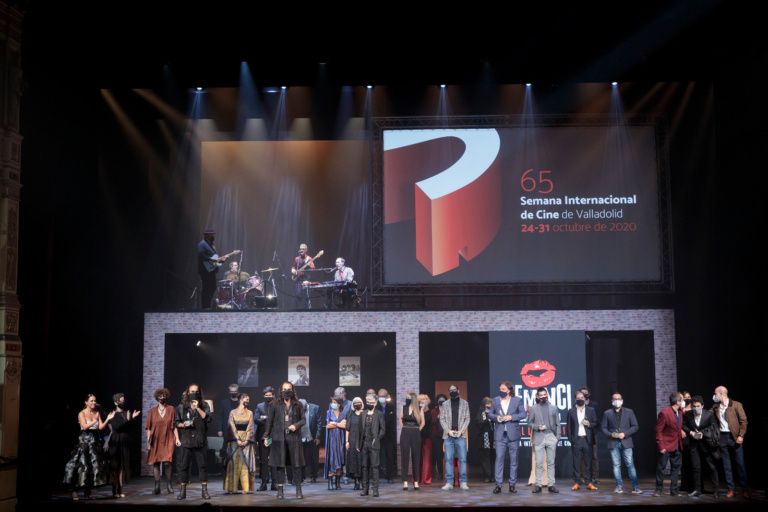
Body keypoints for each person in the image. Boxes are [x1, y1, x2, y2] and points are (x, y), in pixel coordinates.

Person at [63, 394, 114, 501]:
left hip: (94, 443)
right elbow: (85, 426)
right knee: (81, 467)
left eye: (95, 401)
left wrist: (107, 419)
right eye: (91, 401)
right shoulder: (81, 413)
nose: (93, 403)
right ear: (86, 402)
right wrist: (95, 420)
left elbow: (100, 428)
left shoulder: (97, 412)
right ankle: (74, 490)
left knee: (92, 468)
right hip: (84, 443)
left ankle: (88, 492)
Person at [262, 381, 306, 499]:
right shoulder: (274, 404)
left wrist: (295, 426)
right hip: (278, 439)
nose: (287, 391)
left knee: (296, 465)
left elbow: (303, 420)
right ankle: (280, 491)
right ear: (281, 390)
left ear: (292, 390)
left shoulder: (298, 404)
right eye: (285, 389)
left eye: (289, 389)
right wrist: (266, 436)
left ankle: (298, 490)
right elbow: (269, 422)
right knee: (280, 465)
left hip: (294, 438)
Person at [488, 381, 526, 494]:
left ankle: (512, 485)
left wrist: (511, 417)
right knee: (499, 459)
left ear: (509, 390)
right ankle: (498, 485)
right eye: (500, 389)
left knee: (513, 461)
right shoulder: (495, 400)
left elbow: (523, 414)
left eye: (503, 389)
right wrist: (497, 418)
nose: (501, 391)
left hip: (513, 435)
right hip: (500, 435)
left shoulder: (517, 400)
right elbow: (490, 414)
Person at [175, 383, 212, 500]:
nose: (194, 393)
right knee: (183, 466)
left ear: (199, 392)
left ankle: (204, 491)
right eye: (191, 391)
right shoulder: (181, 407)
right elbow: (176, 423)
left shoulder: (204, 405)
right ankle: (183, 491)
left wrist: (198, 408)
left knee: (203, 466)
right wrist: (184, 424)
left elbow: (208, 419)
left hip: (200, 440)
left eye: (196, 391)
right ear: (187, 392)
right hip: (186, 441)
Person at [712, 385, 750, 498]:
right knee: (726, 465)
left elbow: (744, 421)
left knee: (740, 463)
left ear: (722, 394)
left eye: (716, 394)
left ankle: (745, 489)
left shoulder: (736, 405)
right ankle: (731, 489)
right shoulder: (716, 407)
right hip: (722, 437)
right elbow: (707, 413)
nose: (714, 396)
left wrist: (741, 435)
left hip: (734, 437)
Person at [601, 392, 642, 494]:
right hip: (613, 442)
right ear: (612, 401)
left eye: (619, 399)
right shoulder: (607, 413)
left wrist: (625, 433)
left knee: (630, 464)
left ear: (622, 400)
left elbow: (635, 426)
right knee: (616, 465)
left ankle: (635, 487)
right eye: (615, 399)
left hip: (626, 441)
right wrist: (611, 434)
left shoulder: (629, 412)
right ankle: (619, 486)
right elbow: (603, 428)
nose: (617, 401)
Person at [683, 395, 720, 497]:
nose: (696, 408)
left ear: (702, 405)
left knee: (711, 467)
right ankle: (697, 490)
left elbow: (714, 428)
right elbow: (684, 425)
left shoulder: (709, 415)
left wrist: (702, 433)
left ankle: (716, 490)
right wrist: (691, 432)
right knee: (696, 468)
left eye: (698, 406)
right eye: (694, 406)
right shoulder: (688, 414)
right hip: (694, 445)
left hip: (707, 445)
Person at [145, 388, 180, 495]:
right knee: (156, 463)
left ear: (166, 397)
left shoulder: (171, 409)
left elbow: (174, 426)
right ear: (157, 398)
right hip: (155, 439)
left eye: (164, 395)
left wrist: (177, 438)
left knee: (167, 463)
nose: (162, 397)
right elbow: (148, 428)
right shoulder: (152, 411)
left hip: (168, 438)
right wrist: (148, 440)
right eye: (160, 396)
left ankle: (169, 484)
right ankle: (157, 485)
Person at [106, 393, 141, 498]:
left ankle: (120, 488)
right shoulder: (112, 414)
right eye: (121, 400)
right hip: (116, 440)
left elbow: (130, 428)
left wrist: (133, 418)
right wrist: (130, 419)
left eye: (123, 400)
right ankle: (114, 488)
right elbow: (117, 427)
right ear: (116, 402)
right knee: (115, 466)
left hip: (125, 441)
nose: (123, 402)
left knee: (122, 466)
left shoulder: (127, 413)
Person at [527, 387, 560, 494]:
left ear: (547, 394)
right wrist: (537, 427)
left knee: (551, 462)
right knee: (539, 463)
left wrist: (557, 438)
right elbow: (529, 422)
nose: (543, 397)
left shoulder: (554, 408)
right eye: (540, 395)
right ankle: (538, 485)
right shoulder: (533, 408)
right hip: (539, 436)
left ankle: (551, 485)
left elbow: (558, 424)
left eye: (544, 395)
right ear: (537, 396)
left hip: (551, 436)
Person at [653, 391, 684, 497]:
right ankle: (658, 489)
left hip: (677, 445)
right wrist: (661, 446)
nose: (683, 402)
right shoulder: (665, 412)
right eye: (682, 400)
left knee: (676, 468)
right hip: (666, 445)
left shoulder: (680, 412)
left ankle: (674, 491)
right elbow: (658, 431)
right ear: (678, 401)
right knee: (661, 468)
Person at [223, 393, 256, 494]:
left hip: (246, 440)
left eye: (248, 399)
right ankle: (232, 488)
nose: (248, 401)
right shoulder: (232, 412)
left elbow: (250, 427)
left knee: (245, 463)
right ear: (241, 399)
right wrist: (237, 439)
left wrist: (246, 440)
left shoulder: (250, 413)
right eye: (246, 399)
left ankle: (245, 488)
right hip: (234, 440)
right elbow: (231, 426)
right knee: (234, 463)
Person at [566, 390, 598, 491]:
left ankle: (589, 482)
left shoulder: (591, 410)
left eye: (582, 398)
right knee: (576, 462)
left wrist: (589, 424)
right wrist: (572, 440)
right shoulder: (571, 411)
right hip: (577, 440)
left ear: (585, 398)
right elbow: (568, 428)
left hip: (587, 439)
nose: (580, 399)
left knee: (588, 462)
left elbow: (595, 423)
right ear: (575, 399)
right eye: (578, 398)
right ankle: (577, 482)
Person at [440, 385, 470, 491]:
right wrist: (449, 431)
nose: (452, 391)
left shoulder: (465, 403)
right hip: (448, 435)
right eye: (450, 390)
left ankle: (463, 482)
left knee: (463, 459)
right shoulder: (444, 404)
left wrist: (461, 431)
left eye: (454, 390)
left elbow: (467, 419)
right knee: (448, 459)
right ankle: (449, 482)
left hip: (460, 435)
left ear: (458, 390)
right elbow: (442, 419)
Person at [197, 229, 235, 309]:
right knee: (207, 289)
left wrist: (222, 260)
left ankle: (207, 306)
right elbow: (202, 256)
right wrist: (214, 260)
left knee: (212, 287)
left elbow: (215, 260)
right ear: (206, 235)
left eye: (213, 234)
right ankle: (205, 307)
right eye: (211, 234)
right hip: (205, 271)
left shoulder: (211, 245)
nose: (213, 236)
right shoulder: (202, 244)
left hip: (211, 271)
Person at [357, 394, 386, 497]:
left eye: (370, 401)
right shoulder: (363, 413)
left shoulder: (379, 414)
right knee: (364, 467)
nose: (368, 403)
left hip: (374, 443)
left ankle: (375, 490)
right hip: (364, 443)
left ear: (376, 402)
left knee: (375, 467)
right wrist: (358, 444)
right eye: (367, 401)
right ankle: (365, 489)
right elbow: (360, 430)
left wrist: (377, 438)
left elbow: (383, 429)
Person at [400, 391, 425, 490]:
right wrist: (405, 429)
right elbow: (401, 421)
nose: (407, 398)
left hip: (415, 433)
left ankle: (416, 481)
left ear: (413, 398)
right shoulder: (403, 408)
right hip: (405, 432)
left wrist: (417, 430)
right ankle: (405, 481)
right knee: (405, 457)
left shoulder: (419, 409)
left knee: (416, 457)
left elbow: (423, 423)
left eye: (408, 397)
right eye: (406, 397)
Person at [577, 386, 600, 484]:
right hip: (581, 434)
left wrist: (590, 424)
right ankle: (583, 477)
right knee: (582, 457)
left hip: (592, 434)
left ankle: (595, 477)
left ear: (588, 395)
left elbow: (597, 420)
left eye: (586, 394)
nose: (584, 395)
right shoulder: (576, 405)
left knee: (594, 456)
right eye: (582, 394)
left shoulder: (594, 405)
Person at [255, 386, 275, 491]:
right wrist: (267, 419)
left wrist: (266, 419)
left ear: (273, 395)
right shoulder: (260, 406)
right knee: (263, 461)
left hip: (274, 436)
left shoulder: (277, 405)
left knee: (274, 460)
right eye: (266, 395)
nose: (268, 396)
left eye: (269, 395)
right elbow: (256, 419)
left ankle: (274, 483)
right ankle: (263, 483)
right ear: (264, 396)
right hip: (263, 436)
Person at [324, 395, 347, 490]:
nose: (333, 404)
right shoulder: (329, 412)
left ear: (339, 404)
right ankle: (330, 483)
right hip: (332, 439)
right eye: (332, 402)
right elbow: (328, 426)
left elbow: (345, 425)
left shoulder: (343, 413)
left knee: (340, 458)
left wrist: (335, 424)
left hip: (340, 439)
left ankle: (338, 483)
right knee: (332, 458)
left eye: (335, 402)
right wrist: (339, 424)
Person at [376, 388, 397, 482]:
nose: (381, 398)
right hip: (378, 435)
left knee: (390, 455)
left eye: (383, 396)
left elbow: (392, 422)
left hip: (389, 436)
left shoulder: (391, 407)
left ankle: (390, 476)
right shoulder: (376, 407)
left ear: (387, 396)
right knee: (379, 455)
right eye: (380, 396)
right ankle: (379, 475)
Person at [300, 398, 322, 483]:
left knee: (314, 458)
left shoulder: (315, 408)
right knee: (301, 458)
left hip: (312, 437)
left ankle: (314, 476)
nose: (302, 410)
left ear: (306, 405)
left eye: (303, 408)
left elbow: (319, 423)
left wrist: (318, 437)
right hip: (302, 438)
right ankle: (301, 476)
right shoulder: (298, 409)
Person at [345, 397, 364, 490]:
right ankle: (356, 482)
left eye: (359, 402)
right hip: (352, 440)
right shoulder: (350, 415)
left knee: (361, 461)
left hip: (362, 441)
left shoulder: (364, 414)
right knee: (353, 461)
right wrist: (347, 441)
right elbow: (347, 429)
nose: (357, 404)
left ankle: (362, 481)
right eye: (355, 402)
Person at [475, 397, 495, 484]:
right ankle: (487, 475)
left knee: (492, 456)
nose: (489, 405)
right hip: (484, 437)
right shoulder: (481, 412)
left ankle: (492, 475)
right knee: (485, 457)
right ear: (484, 405)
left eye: (490, 404)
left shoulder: (493, 412)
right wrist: (486, 418)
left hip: (493, 437)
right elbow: (479, 424)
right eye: (488, 404)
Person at [292, 243, 315, 309]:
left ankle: (306, 310)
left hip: (306, 279)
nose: (301, 250)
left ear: (306, 250)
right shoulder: (297, 259)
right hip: (298, 279)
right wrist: (293, 271)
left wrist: (310, 265)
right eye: (300, 249)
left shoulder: (309, 258)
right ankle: (297, 310)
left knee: (306, 296)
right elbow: (293, 267)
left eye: (303, 249)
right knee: (297, 295)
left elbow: (313, 268)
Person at [430, 395, 446, 481]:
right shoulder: (434, 410)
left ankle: (446, 473)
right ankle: (438, 473)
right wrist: (438, 416)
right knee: (437, 455)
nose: (442, 402)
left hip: (446, 434)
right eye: (440, 401)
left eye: (443, 401)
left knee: (444, 455)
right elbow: (432, 421)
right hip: (436, 435)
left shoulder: (447, 410)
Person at [418, 394, 433, 485]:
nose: (423, 402)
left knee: (426, 459)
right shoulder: (417, 412)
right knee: (418, 458)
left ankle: (426, 478)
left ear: (428, 401)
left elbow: (427, 423)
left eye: (424, 400)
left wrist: (422, 411)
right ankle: (418, 478)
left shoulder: (430, 412)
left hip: (427, 438)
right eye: (421, 400)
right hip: (417, 437)